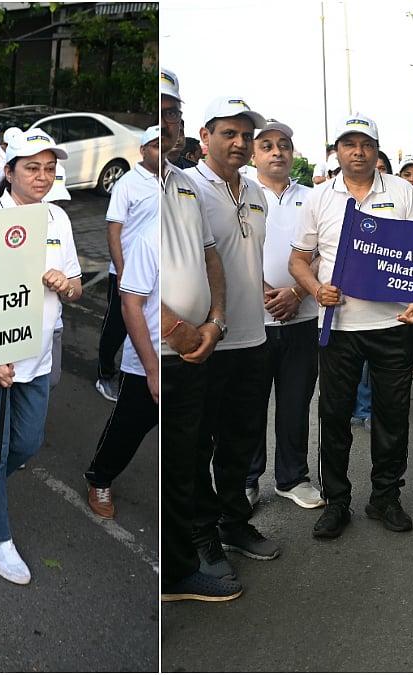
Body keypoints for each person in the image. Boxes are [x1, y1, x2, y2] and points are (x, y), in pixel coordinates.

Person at [289, 113, 413, 540]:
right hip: (338, 328)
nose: (358, 152)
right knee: (334, 416)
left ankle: (385, 496)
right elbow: (299, 259)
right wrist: (315, 288)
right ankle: (337, 501)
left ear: (376, 150)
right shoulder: (319, 197)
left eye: (365, 144)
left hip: (393, 323)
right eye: (349, 144)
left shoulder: (402, 192)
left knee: (392, 416)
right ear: (338, 151)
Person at [0, 129, 82, 584]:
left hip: (37, 355)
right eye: (32, 168)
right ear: (8, 172)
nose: (42, 177)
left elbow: (76, 283)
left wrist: (67, 286)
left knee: (26, 443)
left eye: (49, 168)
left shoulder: (57, 220)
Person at [184, 95, 280, 579]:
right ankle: (202, 535)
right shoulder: (188, 189)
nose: (240, 142)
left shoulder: (256, 192)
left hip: (254, 337)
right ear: (205, 137)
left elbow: (245, 260)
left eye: (247, 135)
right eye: (230, 133)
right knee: (200, 443)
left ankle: (234, 524)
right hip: (208, 341)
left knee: (242, 440)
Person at [156, 67, 239, 603]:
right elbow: (131, 278)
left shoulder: (183, 183)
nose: (167, 124)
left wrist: (215, 322)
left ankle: (180, 569)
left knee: (183, 462)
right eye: (158, 113)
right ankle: (175, 569)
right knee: (167, 463)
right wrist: (178, 331)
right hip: (163, 353)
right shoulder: (132, 187)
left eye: (172, 115)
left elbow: (210, 255)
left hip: (194, 348)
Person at [244, 119, 323, 510]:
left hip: (302, 319)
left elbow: (324, 251)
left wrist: (295, 292)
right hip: (250, 322)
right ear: (254, 154)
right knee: (250, 405)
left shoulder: (312, 197)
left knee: (295, 404)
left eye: (284, 145)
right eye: (268, 145)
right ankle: (246, 477)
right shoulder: (239, 193)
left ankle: (293, 478)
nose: (277, 151)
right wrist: (259, 292)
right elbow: (225, 250)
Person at [84, 168, 160, 519]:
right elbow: (132, 305)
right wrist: (152, 368)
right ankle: (100, 476)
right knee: (129, 426)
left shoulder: (200, 238)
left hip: (193, 354)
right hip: (149, 356)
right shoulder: (150, 240)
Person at [94, 126, 162, 403]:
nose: (160, 151)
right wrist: (121, 270)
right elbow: (114, 230)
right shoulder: (127, 184)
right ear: (143, 150)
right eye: (155, 146)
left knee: (149, 324)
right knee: (117, 324)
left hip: (156, 271)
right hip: (126, 271)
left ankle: (139, 372)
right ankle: (105, 374)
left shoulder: (169, 181)